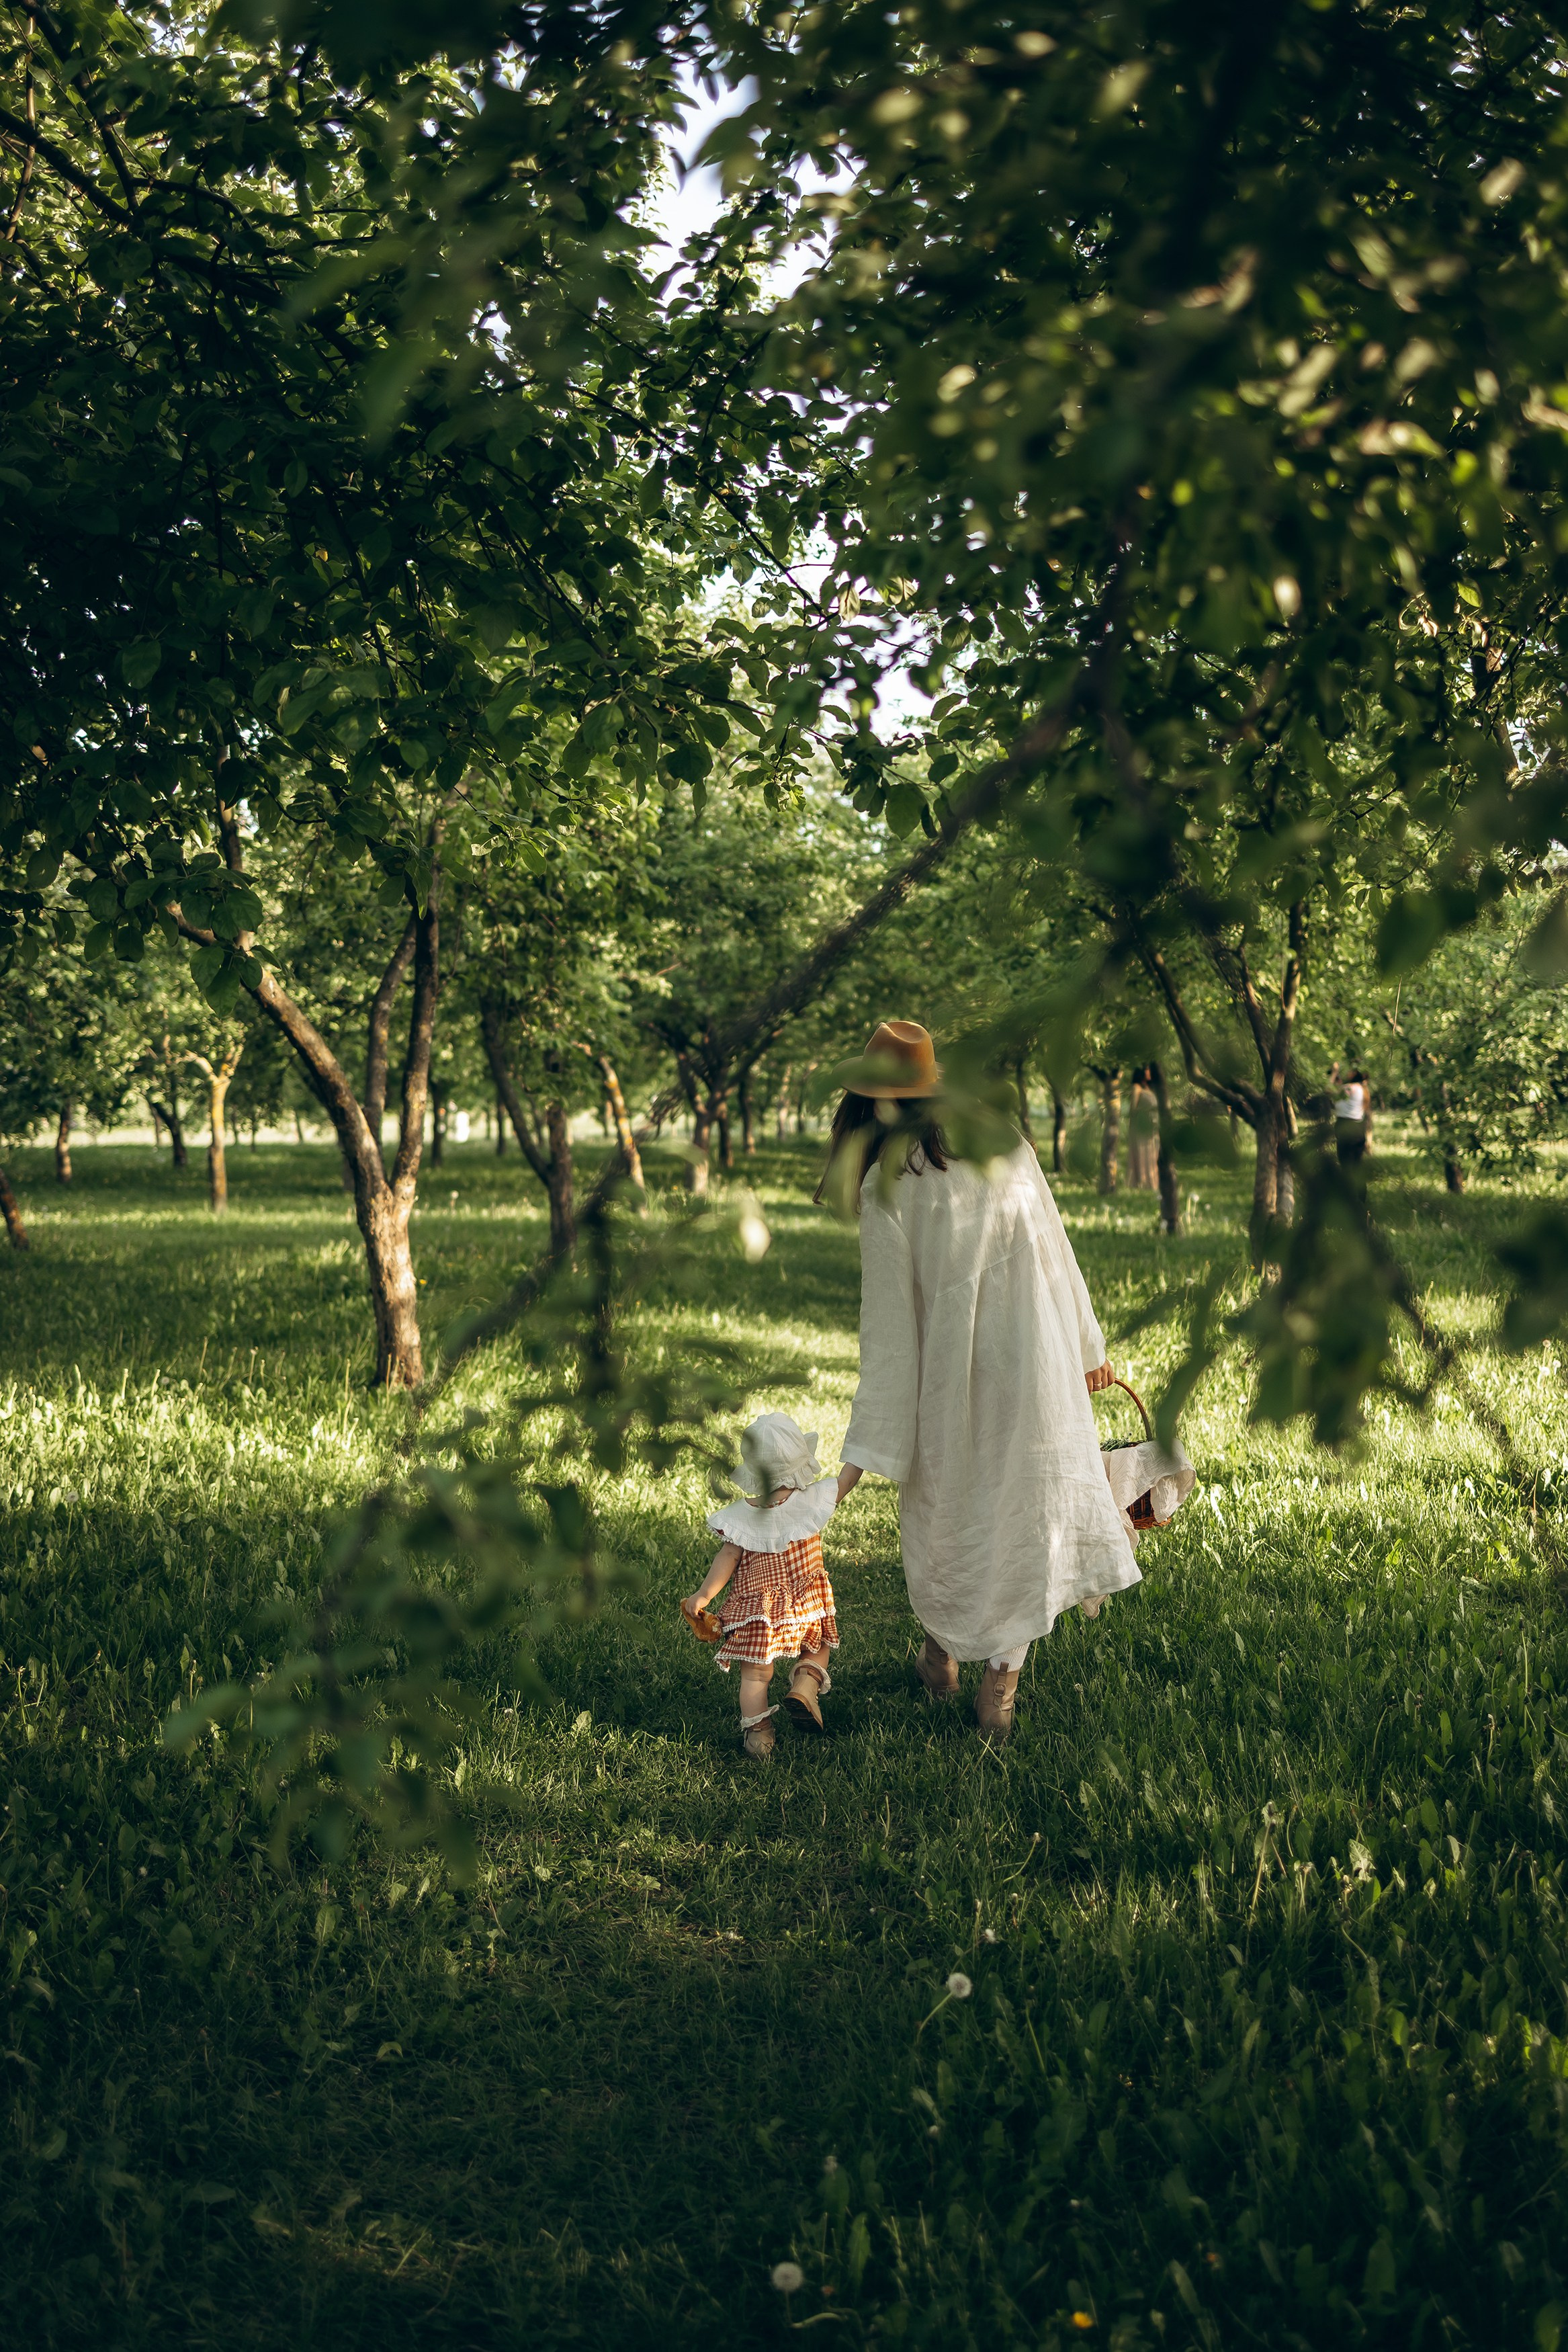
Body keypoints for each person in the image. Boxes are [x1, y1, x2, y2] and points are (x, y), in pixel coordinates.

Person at [825, 1020, 1139, 1745]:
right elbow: (1055, 1248)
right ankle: (1000, 1682)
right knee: (1025, 1509)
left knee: (951, 1511)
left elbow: (890, 1337)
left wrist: (860, 1456)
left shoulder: (887, 1185)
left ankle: (941, 1654)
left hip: (951, 1378)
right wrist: (1086, 1345)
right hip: (1036, 1360)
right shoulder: (1006, 1142)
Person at [681, 1410, 842, 1761]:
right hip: (806, 1603)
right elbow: (847, 1480)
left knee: (755, 1676)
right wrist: (863, 1454)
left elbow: (728, 1557)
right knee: (817, 1647)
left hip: (760, 1613)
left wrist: (704, 1594)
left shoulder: (743, 1516)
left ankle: (759, 1735)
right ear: (802, 1461)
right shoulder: (813, 1501)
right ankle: (806, 1684)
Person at [1127, 1065, 1159, 1191]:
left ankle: (1153, 1182)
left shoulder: (1150, 1089)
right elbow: (1133, 1109)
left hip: (1153, 1126)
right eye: (1147, 1070)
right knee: (1142, 1152)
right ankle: (1142, 1182)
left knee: (1152, 1152)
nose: (1149, 1072)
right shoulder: (1137, 1088)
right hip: (1141, 1125)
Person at [1332, 1064, 1368, 1165]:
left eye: (1351, 1071)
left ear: (1355, 1074)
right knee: (1356, 1164)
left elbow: (1328, 1090)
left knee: (1345, 1163)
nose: (1348, 1072)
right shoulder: (1362, 1089)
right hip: (1358, 1127)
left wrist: (1334, 1072)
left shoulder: (1348, 1088)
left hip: (1345, 1126)